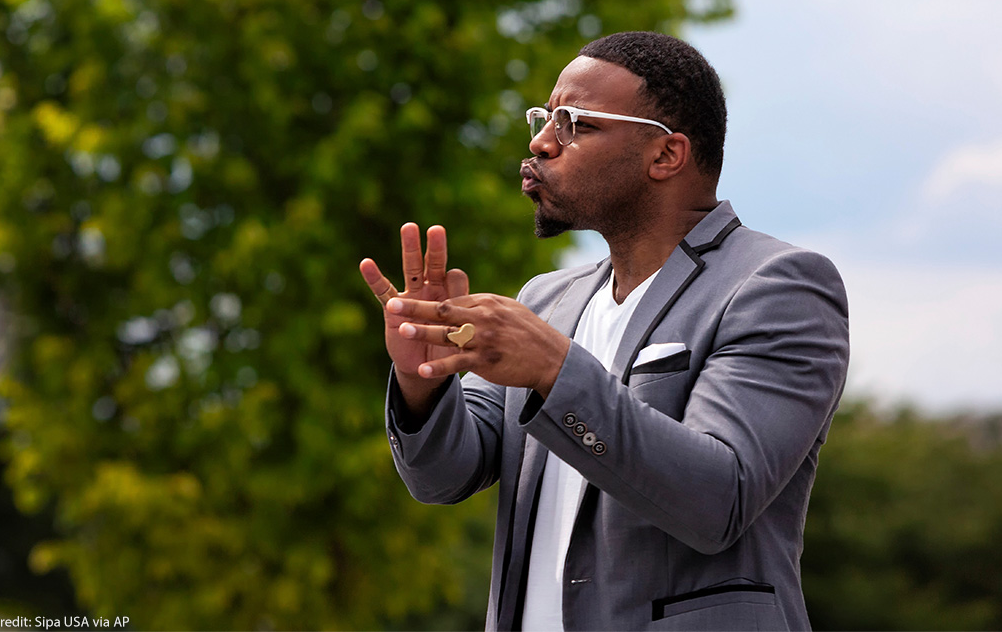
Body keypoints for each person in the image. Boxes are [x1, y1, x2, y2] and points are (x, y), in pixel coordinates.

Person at [359, 31, 850, 631]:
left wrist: (555, 371)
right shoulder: (546, 299)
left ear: (666, 155)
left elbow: (718, 498)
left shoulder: (778, 287)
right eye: (545, 118)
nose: (541, 141)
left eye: (575, 123)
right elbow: (443, 477)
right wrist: (422, 380)